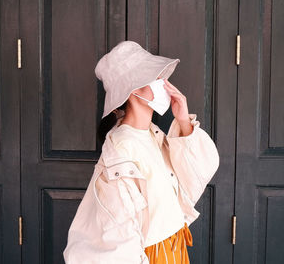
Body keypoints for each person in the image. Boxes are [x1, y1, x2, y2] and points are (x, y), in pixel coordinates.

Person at [63, 40, 220, 264]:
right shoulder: (121, 148)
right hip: (154, 255)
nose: (164, 83)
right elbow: (120, 230)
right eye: (156, 78)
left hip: (176, 248)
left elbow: (198, 172)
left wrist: (183, 120)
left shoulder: (151, 134)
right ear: (134, 88)